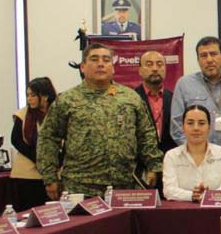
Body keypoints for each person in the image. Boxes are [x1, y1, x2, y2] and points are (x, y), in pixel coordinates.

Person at [37, 43, 163, 198]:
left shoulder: (130, 98)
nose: (101, 64)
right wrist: (49, 177)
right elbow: (48, 137)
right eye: (94, 59)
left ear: (113, 67)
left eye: (106, 60)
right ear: (83, 67)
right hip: (80, 187)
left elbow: (146, 134)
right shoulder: (67, 100)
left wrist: (153, 165)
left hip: (124, 186)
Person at [171, 36, 221, 183]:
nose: (209, 59)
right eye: (203, 55)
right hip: (193, 165)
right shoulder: (184, 85)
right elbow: (176, 127)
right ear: (198, 60)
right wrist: (195, 154)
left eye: (213, 54)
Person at [162, 104, 221, 202]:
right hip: (182, 209)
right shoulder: (171, 156)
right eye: (190, 123)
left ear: (209, 127)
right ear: (183, 127)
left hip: (215, 208)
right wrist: (192, 196)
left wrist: (208, 196)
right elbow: (169, 190)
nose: (196, 128)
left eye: (201, 123)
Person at [10, 77, 57, 210]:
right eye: (28, 95)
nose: (29, 99)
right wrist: (37, 158)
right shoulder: (23, 114)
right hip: (26, 173)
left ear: (45, 96)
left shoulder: (57, 113)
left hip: (53, 172)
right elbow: (16, 140)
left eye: (33, 95)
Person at [134, 50, 176, 163]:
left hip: (170, 162)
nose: (155, 68)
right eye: (149, 64)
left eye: (159, 64)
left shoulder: (174, 98)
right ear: (140, 70)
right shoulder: (132, 98)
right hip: (140, 164)